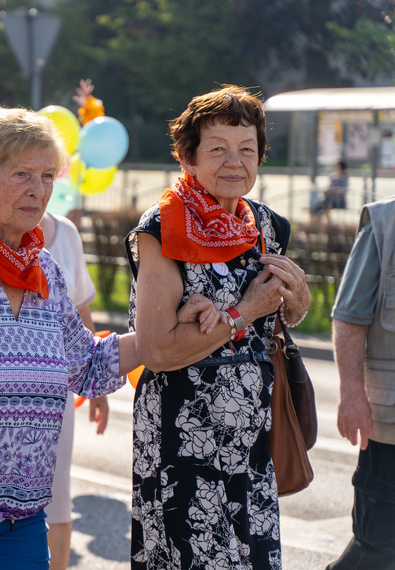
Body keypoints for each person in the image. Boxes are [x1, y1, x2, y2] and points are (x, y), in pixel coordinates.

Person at [0, 107, 220, 569]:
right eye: (22, 173)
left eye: (48, 175)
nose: (39, 189)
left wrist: (170, 327)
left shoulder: (44, 267)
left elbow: (86, 365)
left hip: (20, 515)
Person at [125, 85, 312, 569]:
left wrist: (298, 300)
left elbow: (283, 317)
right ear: (188, 158)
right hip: (182, 439)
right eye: (218, 149)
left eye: (247, 150)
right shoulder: (163, 229)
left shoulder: (268, 227)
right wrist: (243, 311)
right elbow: (156, 350)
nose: (236, 162)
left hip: (252, 441)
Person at [326, 195, 395, 569]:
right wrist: (352, 393)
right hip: (391, 428)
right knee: (377, 545)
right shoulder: (385, 223)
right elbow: (350, 316)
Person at [39, 210, 108, 570]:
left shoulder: (65, 232)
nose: (36, 184)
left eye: (47, 174)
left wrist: (96, 383)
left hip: (57, 390)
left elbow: (81, 307)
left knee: (56, 498)